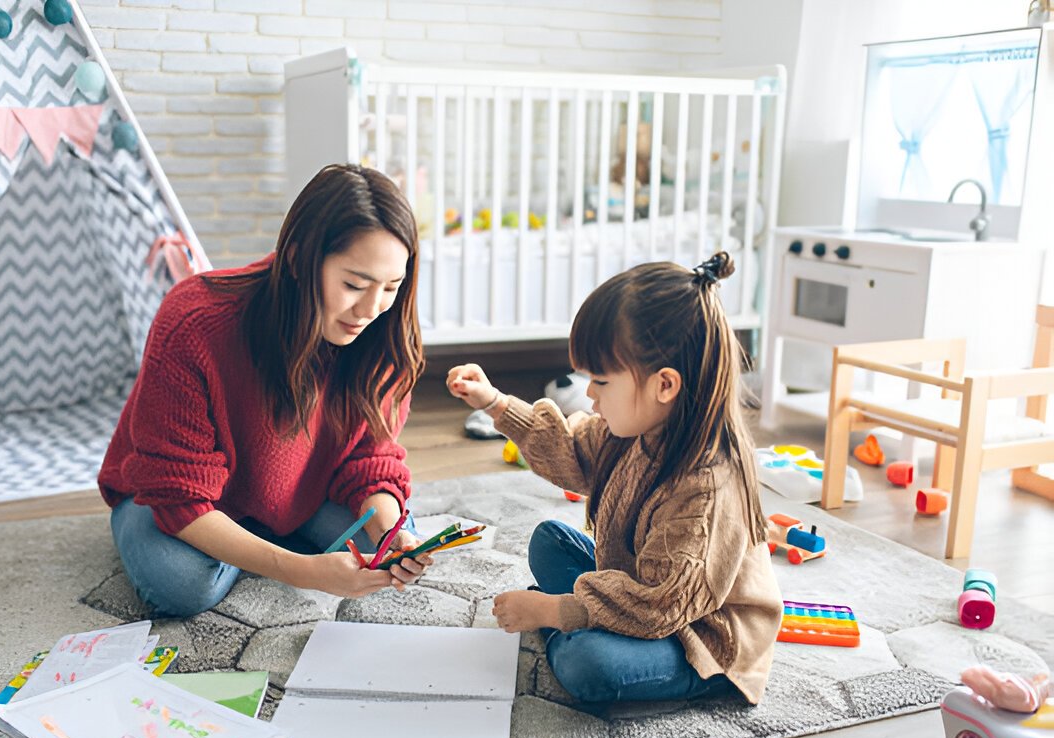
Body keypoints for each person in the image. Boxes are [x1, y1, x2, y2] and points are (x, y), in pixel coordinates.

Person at [446, 252, 783, 706]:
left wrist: (554, 610)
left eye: (601, 381)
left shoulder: (708, 485)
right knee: (550, 540)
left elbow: (662, 603)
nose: (588, 393)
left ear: (665, 385)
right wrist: (495, 403)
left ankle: (575, 630)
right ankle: (581, 619)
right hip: (643, 588)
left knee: (589, 665)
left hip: (698, 638)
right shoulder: (636, 426)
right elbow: (570, 450)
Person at [99, 164, 433, 618]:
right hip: (182, 493)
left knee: (390, 539)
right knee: (183, 586)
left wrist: (394, 535)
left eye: (391, 287)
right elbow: (178, 495)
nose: (371, 309)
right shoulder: (195, 323)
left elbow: (369, 463)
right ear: (297, 260)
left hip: (300, 490)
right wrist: (303, 570)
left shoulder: (386, 334)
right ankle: (265, 538)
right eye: (354, 285)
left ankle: (262, 535)